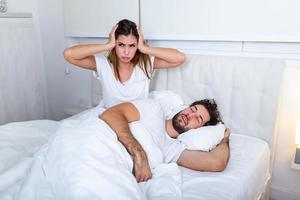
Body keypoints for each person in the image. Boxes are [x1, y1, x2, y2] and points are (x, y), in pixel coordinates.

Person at [100, 98, 230, 182]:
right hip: (101, 147)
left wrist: (224, 138)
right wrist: (139, 154)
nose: (190, 116)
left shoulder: (174, 149)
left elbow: (217, 162)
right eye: (192, 109)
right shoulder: (153, 109)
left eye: (198, 119)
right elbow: (111, 114)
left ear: (199, 129)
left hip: (115, 175)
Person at [63, 19, 185, 108]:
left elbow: (179, 58)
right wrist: (107, 45)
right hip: (111, 120)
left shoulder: (145, 64)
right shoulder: (103, 65)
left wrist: (144, 48)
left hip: (138, 119)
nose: (126, 52)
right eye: (121, 45)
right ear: (115, 43)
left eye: (132, 45)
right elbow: (69, 54)